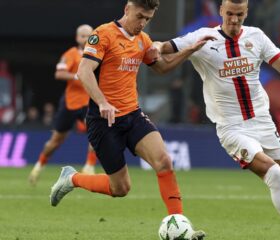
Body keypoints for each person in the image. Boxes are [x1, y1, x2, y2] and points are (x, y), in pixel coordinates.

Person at [156, 0, 280, 239]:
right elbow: (163, 48)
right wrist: (153, 46)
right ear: (221, 11)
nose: (234, 19)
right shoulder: (203, 37)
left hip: (262, 121)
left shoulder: (256, 37)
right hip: (232, 128)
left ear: (246, 12)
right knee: (274, 173)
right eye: (229, 13)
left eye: (239, 14)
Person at [49, 1, 211, 239]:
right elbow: (84, 71)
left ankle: (180, 227)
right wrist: (103, 102)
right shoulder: (103, 34)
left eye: (148, 18)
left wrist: (190, 51)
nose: (143, 23)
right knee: (120, 188)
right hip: (103, 121)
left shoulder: (142, 40)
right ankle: (71, 178)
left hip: (132, 115)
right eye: (140, 16)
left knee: (164, 161)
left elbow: (163, 68)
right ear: (127, 9)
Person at [28, 24, 97, 186]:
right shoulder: (70, 54)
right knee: (56, 140)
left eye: (89, 35)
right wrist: (77, 77)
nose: (86, 39)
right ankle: (39, 165)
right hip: (70, 103)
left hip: (89, 102)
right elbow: (59, 73)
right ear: (77, 38)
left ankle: (89, 166)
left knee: (96, 132)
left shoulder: (98, 55)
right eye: (82, 36)